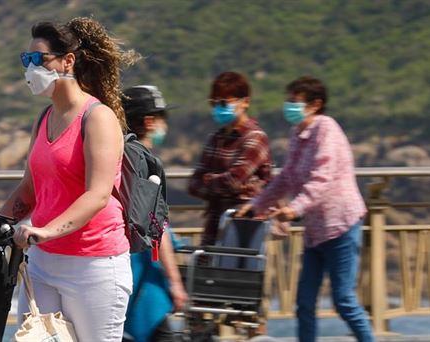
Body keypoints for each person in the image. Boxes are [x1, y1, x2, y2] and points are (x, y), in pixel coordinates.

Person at [0, 17, 139, 342]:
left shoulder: (98, 118)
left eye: (38, 59)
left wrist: (45, 230)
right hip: (44, 263)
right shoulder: (44, 118)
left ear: (67, 61)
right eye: (26, 60)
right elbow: (29, 189)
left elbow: (98, 194)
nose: (30, 68)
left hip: (94, 264)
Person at [238, 76, 375, 342]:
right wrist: (256, 204)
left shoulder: (327, 130)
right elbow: (287, 177)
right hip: (316, 230)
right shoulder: (298, 134)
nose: (288, 105)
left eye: (294, 100)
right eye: (288, 99)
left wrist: (294, 209)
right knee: (304, 303)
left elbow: (323, 177)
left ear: (315, 104)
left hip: (341, 225)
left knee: (344, 300)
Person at [120, 85, 188, 342]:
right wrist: (175, 282)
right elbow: (158, 229)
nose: (164, 126)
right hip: (144, 272)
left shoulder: (118, 155)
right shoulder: (148, 164)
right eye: (163, 119)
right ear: (149, 121)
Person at [188, 71, 272, 247]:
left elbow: (233, 180)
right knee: (207, 271)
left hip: (243, 225)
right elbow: (193, 184)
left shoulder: (255, 138)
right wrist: (232, 186)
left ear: (245, 102)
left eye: (225, 102)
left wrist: (209, 182)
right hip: (214, 224)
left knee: (235, 273)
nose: (219, 107)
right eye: (214, 103)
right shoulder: (215, 138)